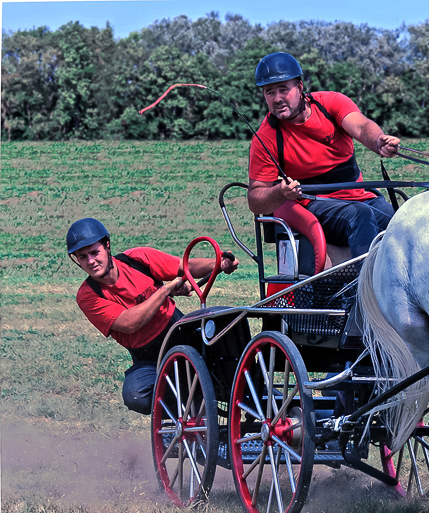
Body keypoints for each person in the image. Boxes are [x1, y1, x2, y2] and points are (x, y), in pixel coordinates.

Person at [66, 218, 239, 415]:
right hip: (148, 359)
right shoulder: (88, 295)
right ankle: (193, 405)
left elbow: (186, 267)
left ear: (107, 246)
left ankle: (228, 393)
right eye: (82, 257)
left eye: (95, 252)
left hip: (182, 334)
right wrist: (165, 291)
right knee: (136, 395)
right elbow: (130, 323)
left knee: (228, 335)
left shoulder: (138, 258)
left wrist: (219, 263)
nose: (91, 261)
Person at [247, 52, 401, 259]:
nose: (277, 99)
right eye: (269, 92)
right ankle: (367, 290)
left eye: (283, 89)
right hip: (315, 205)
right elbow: (255, 200)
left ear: (300, 87)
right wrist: (280, 192)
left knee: (400, 221)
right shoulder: (265, 138)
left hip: (360, 197)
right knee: (360, 216)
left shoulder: (330, 103)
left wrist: (379, 141)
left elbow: (362, 127)